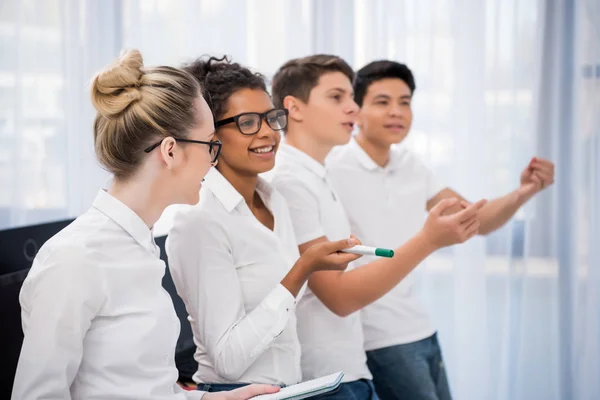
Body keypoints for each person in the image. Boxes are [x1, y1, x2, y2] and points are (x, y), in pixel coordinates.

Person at [11, 49, 279, 400]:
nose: (213, 161)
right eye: (210, 144)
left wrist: (208, 398)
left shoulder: (139, 245)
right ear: (169, 151)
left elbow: (141, 389)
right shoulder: (76, 258)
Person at [326, 60, 556, 400]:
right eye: (383, 101)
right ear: (356, 111)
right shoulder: (333, 168)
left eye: (405, 102)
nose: (397, 112)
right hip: (377, 337)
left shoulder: (411, 165)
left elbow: (479, 220)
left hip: (421, 328)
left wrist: (524, 192)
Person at [267, 54, 487, 400]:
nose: (352, 109)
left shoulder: (318, 175)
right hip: (325, 373)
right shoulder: (291, 182)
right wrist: (428, 240)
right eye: (337, 97)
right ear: (294, 108)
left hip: (350, 365)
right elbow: (337, 296)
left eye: (351, 98)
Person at [166, 56, 362, 393]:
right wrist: (302, 269)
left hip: (290, 389)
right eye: (247, 122)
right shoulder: (200, 221)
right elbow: (228, 360)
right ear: (209, 133)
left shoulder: (275, 201)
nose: (269, 132)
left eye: (271, 118)